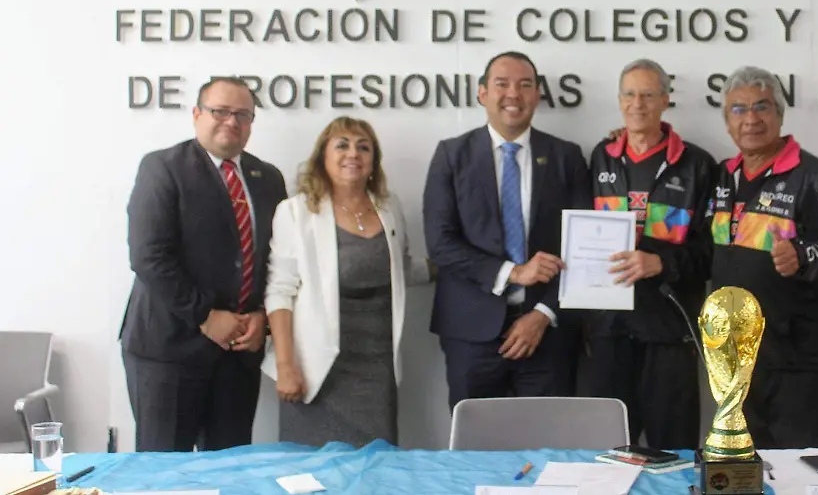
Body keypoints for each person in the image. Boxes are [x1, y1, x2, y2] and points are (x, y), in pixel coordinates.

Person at [120, 76, 288, 452]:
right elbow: (149, 256)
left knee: (230, 469)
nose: (232, 121)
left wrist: (264, 316)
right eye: (220, 111)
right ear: (197, 115)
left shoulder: (269, 179)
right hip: (169, 351)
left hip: (239, 353)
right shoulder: (162, 168)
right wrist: (206, 316)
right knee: (167, 475)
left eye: (243, 114)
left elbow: (280, 259)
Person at [423, 51, 590, 411]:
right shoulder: (452, 156)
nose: (513, 94)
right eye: (502, 84)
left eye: (525, 85)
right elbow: (440, 243)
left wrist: (544, 314)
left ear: (537, 95)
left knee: (548, 447)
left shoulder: (567, 157)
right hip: (471, 332)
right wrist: (513, 272)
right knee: (476, 452)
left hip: (547, 333)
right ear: (482, 93)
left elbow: (582, 248)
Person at [704, 65, 818, 449]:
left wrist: (802, 255)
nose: (751, 119)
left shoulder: (810, 174)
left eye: (761, 107)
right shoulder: (722, 176)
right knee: (743, 470)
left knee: (799, 472)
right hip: (737, 360)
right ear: (727, 121)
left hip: (795, 363)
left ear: (779, 115)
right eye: (739, 109)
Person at [263, 117, 420, 447]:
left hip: (377, 364)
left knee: (376, 465)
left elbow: (400, 269)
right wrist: (286, 364)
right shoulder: (296, 212)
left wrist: (454, 268)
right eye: (342, 145)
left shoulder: (390, 208)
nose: (354, 153)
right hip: (317, 367)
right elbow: (280, 291)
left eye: (364, 147)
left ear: (373, 162)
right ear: (322, 157)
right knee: (311, 469)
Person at [583, 58, 715, 451]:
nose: (637, 103)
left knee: (672, 452)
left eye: (647, 94)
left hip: (670, 334)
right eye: (629, 94)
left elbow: (714, 252)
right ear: (619, 100)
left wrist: (663, 263)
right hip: (609, 333)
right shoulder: (600, 157)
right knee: (606, 452)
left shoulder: (698, 165)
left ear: (665, 101)